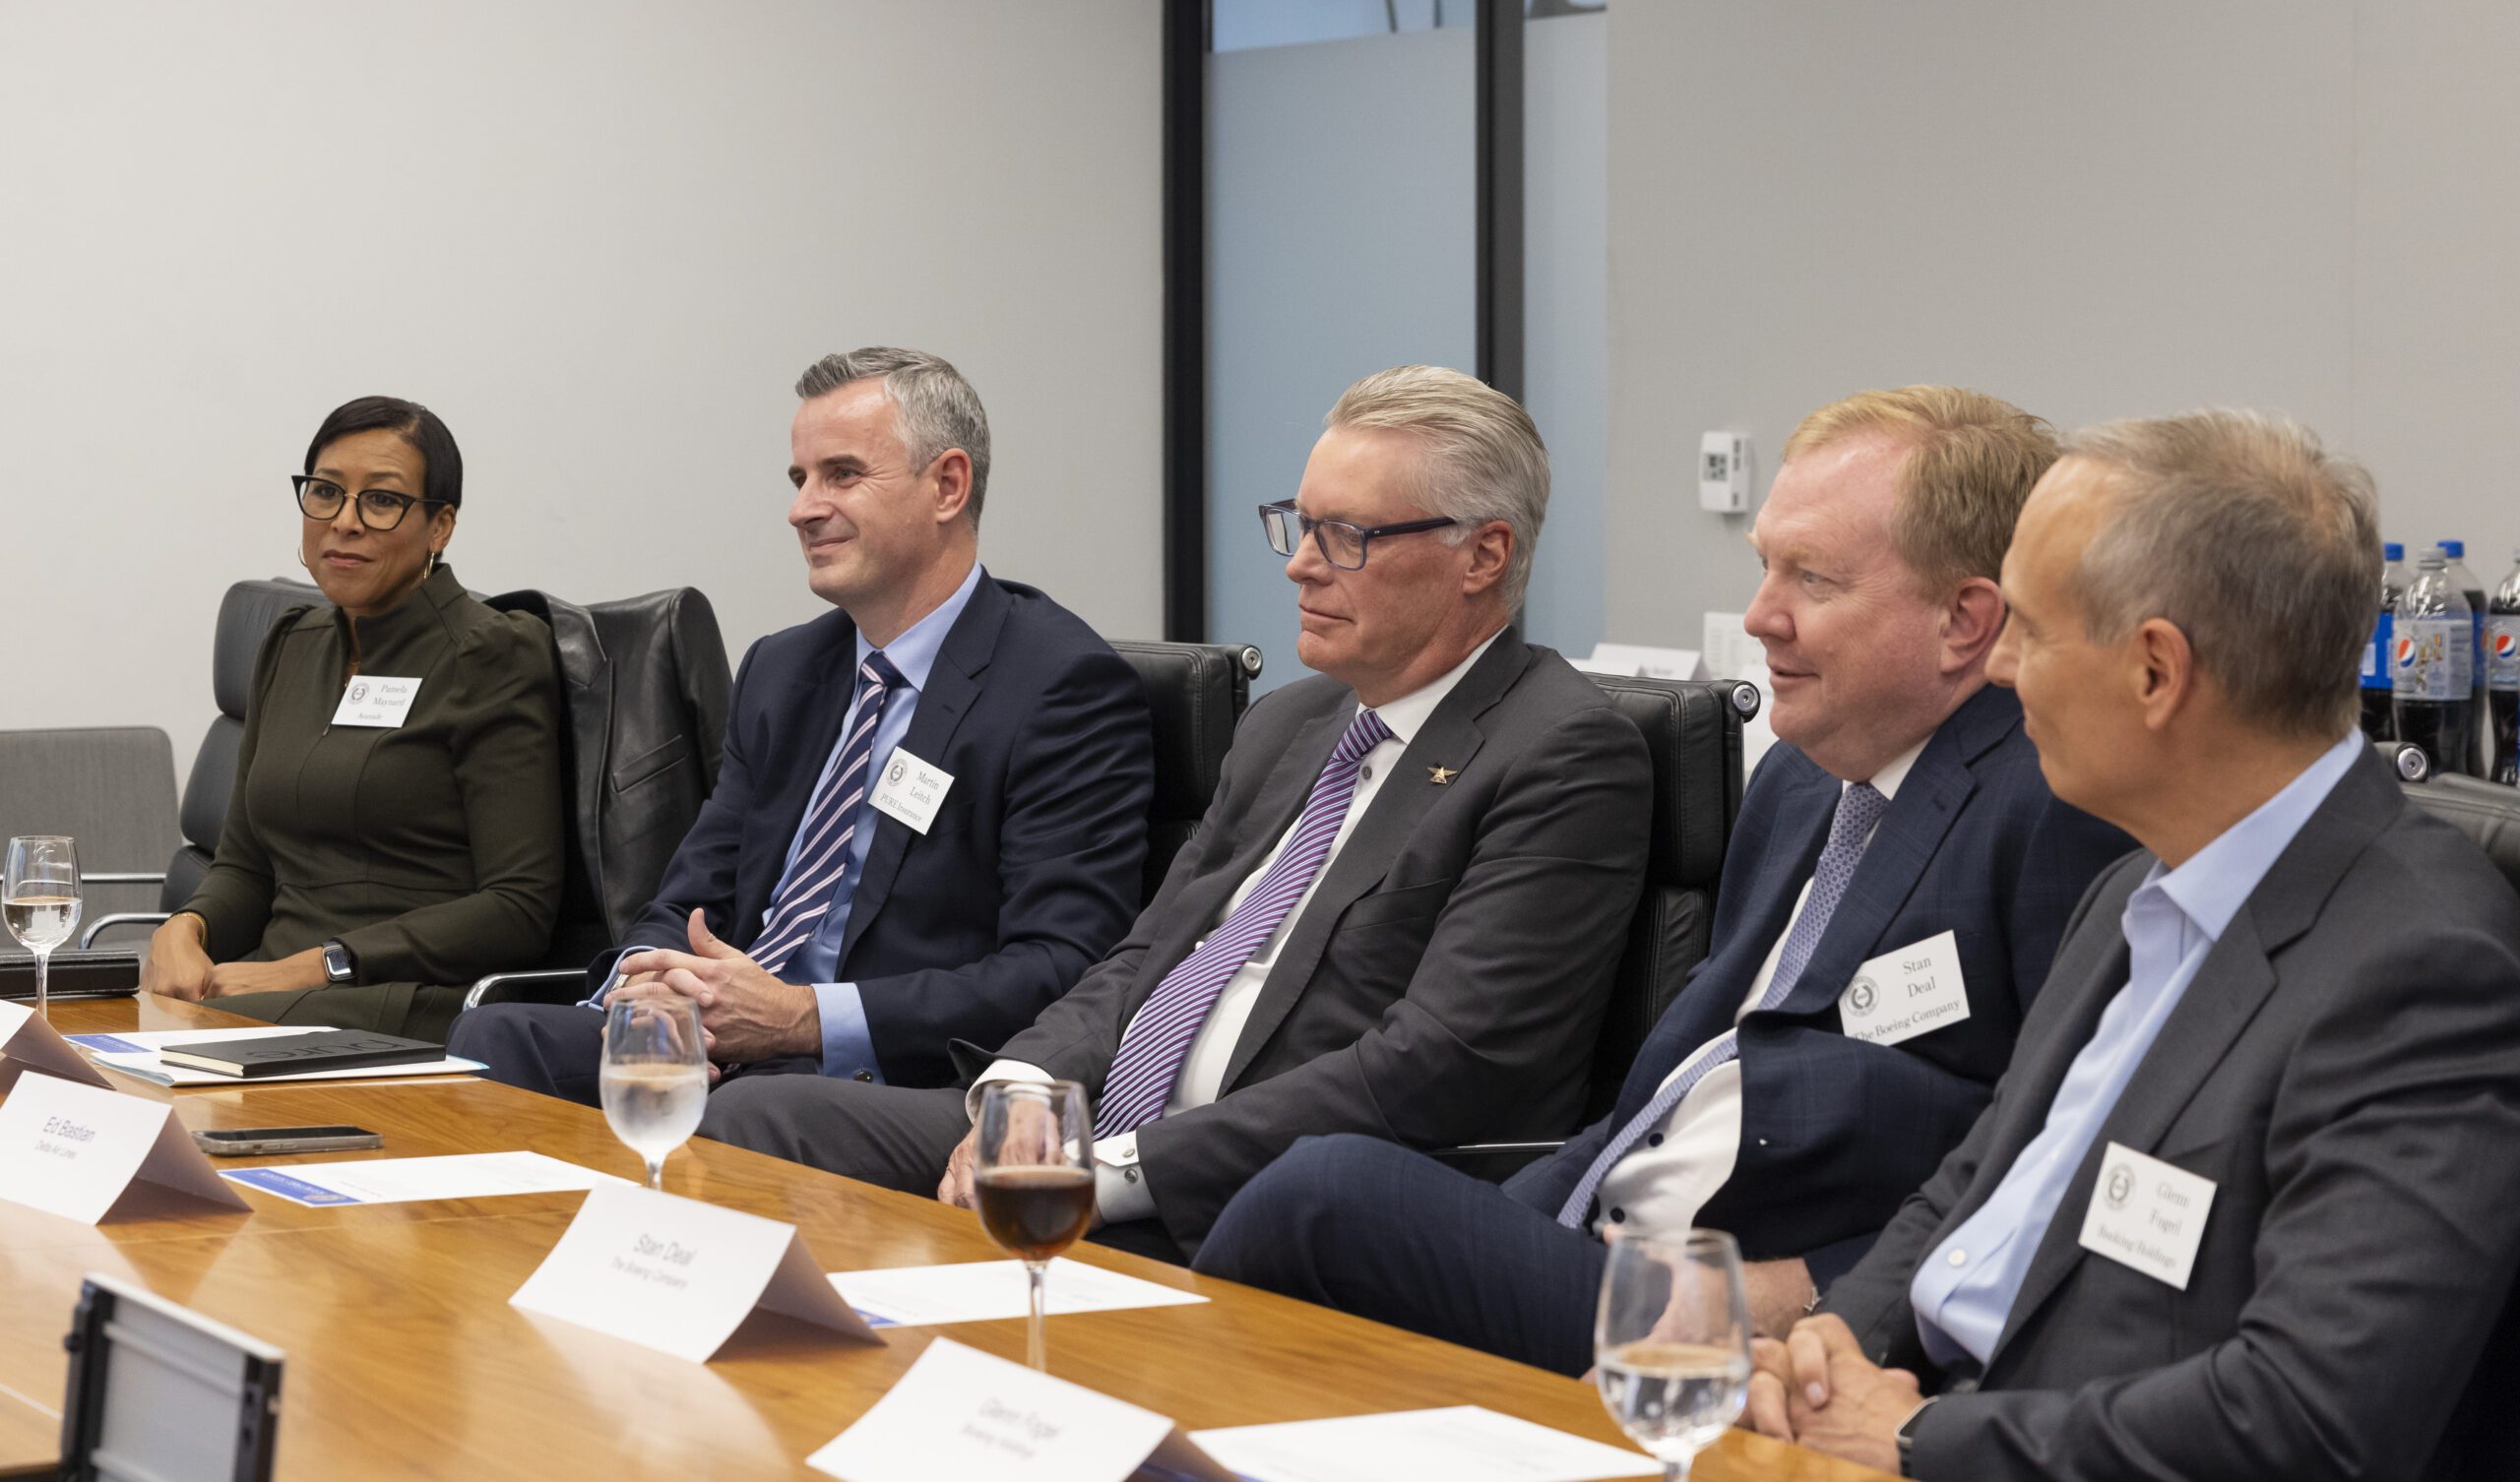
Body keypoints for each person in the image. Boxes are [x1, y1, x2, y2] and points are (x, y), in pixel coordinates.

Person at [1196, 386, 2134, 1366]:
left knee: (1330, 1195)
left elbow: (2060, 1157)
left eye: (1810, 579)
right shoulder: (1800, 779)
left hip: (1756, 1310)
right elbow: (1670, 1084)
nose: (1760, 616)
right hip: (1607, 1231)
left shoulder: (2051, 804)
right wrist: (1517, 1219)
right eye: (1764, 566)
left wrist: (1814, 1289)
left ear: (1963, 620)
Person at [697, 364, 1653, 1262]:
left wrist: (1108, 1169)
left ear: (1481, 554)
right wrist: (1020, 1098)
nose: (1301, 568)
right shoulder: (1291, 721)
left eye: (1346, 536)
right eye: (1297, 524)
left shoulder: (1560, 751)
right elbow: (1141, 959)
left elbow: (1438, 1061)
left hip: (1253, 1182)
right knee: (760, 1118)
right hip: (1096, 1125)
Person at [1747, 410, 2520, 1482]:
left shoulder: (2422, 964)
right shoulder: (2130, 887)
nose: (2002, 665)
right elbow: (1973, 1186)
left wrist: (1916, 1439)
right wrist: (1839, 1337)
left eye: (2027, 626)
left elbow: (2308, 1415)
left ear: (2156, 673)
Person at [449, 347, 1153, 1098]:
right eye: (800, 479)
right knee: (494, 1037)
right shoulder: (783, 670)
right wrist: (647, 988)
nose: (802, 508)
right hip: (727, 1047)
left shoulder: (1060, 685)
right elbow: (692, 896)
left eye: (841, 475)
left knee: (757, 1105)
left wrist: (804, 1017)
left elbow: (1060, 965)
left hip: (879, 1070)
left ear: (948, 485)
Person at [141, 396, 566, 1041]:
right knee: (70, 1032)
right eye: (326, 492)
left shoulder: (491, 652)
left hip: (404, 999)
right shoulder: (291, 642)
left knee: (137, 1056)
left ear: (440, 526)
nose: (344, 521)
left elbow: (519, 906)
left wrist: (324, 965)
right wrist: (186, 928)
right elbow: (247, 865)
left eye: (382, 500)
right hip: (259, 989)